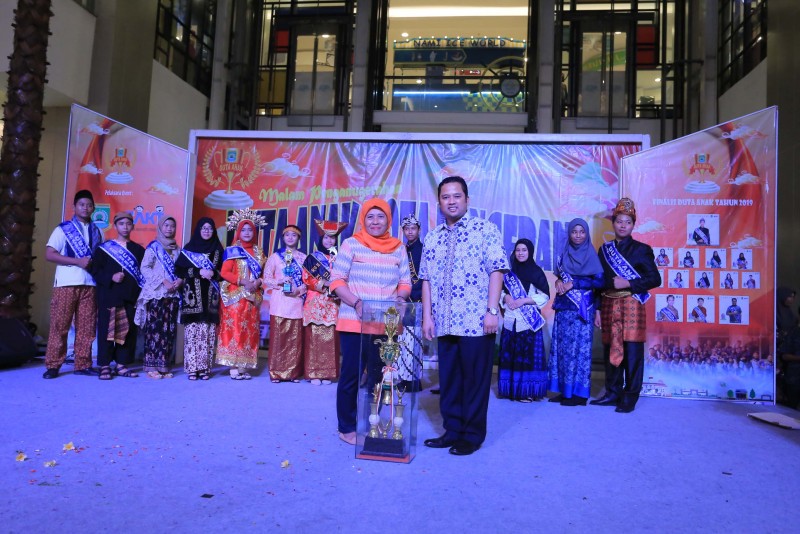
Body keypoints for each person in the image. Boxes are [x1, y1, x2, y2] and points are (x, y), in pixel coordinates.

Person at [421, 176, 509, 456]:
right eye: (445, 197)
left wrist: (492, 311)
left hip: (476, 321)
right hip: (445, 321)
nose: (451, 201)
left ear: (467, 200)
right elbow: (426, 280)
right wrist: (427, 317)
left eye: (456, 196)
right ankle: (452, 431)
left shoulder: (485, 229)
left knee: (475, 380)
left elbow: (497, 270)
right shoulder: (432, 237)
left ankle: (472, 435)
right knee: (449, 379)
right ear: (439, 202)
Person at [329, 198, 411, 445]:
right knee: (351, 376)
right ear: (363, 220)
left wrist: (401, 297)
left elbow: (405, 282)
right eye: (370, 217)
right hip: (354, 321)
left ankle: (372, 424)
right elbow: (337, 280)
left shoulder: (398, 248)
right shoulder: (351, 244)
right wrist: (356, 302)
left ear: (388, 220)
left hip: (386, 325)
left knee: (379, 377)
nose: (375, 222)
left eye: (380, 216)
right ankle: (346, 427)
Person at [591, 198, 661, 413]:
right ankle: (612, 392)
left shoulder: (642, 249)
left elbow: (655, 279)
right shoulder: (604, 250)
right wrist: (597, 308)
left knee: (632, 351)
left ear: (633, 225)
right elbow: (598, 281)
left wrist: (629, 283)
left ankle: (630, 396)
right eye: (619, 221)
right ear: (613, 223)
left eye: (627, 222)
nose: (623, 225)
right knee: (610, 349)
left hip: (631, 305)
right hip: (608, 304)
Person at [42, 190, 103, 379]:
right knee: (60, 325)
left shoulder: (98, 231)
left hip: (90, 284)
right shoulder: (63, 229)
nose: (86, 208)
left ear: (93, 208)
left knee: (87, 326)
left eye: (89, 205)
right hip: (66, 283)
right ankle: (53, 365)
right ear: (74, 207)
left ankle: (83, 364)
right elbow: (49, 254)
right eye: (82, 204)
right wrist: (77, 261)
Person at [548, 218, 604, 406]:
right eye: (574, 231)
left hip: (582, 310)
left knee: (579, 351)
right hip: (564, 308)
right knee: (562, 350)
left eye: (582, 231)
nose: (578, 235)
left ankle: (579, 395)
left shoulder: (591, 254)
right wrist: (559, 282)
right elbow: (559, 277)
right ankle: (565, 391)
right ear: (569, 233)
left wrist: (575, 283)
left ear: (586, 234)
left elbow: (600, 282)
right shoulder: (564, 253)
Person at [90, 211, 146, 380]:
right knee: (106, 330)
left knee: (127, 331)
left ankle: (122, 365)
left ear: (133, 226)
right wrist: (111, 277)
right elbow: (95, 271)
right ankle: (105, 365)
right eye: (121, 224)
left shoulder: (138, 250)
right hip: (109, 296)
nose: (125, 227)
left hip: (130, 297)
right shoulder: (104, 249)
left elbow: (143, 275)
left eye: (128, 224)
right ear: (115, 226)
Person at [497, 239, 549, 402]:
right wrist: (505, 296)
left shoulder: (536, 272)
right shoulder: (509, 273)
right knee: (510, 354)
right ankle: (509, 389)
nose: (520, 253)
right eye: (518, 250)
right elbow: (499, 292)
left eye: (524, 250)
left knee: (526, 356)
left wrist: (524, 301)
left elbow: (544, 296)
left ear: (530, 252)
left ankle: (526, 391)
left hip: (528, 322)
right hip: (510, 321)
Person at [217, 209, 267, 380]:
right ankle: (233, 366)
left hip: (252, 296)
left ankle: (243, 366)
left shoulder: (259, 252)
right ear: (238, 232)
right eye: (243, 230)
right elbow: (225, 273)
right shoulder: (232, 250)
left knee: (249, 331)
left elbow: (264, 274)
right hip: (235, 296)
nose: (246, 233)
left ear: (254, 232)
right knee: (235, 330)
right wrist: (242, 281)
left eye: (250, 230)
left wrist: (258, 282)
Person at [174, 217, 224, 381]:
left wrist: (213, 273)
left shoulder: (218, 249)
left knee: (207, 333)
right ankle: (192, 368)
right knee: (192, 333)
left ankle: (204, 368)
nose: (207, 231)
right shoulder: (189, 249)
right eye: (204, 228)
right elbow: (179, 270)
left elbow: (223, 273)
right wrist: (198, 272)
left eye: (210, 228)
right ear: (198, 230)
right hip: (192, 298)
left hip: (210, 297)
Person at [134, 215, 183, 379]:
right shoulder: (153, 247)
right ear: (161, 228)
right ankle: (151, 366)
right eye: (166, 225)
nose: (169, 228)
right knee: (154, 330)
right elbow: (144, 268)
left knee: (168, 331)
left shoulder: (177, 249)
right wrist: (162, 280)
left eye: (172, 226)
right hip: (156, 294)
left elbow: (181, 269)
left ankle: (164, 365)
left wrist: (179, 280)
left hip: (172, 295)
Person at [301, 220, 347, 385]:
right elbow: (306, 278)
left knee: (330, 338)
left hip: (333, 302)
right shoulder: (312, 258)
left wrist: (335, 285)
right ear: (321, 238)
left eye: (332, 238)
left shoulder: (340, 258)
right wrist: (324, 283)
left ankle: (328, 373)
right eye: (326, 237)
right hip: (315, 301)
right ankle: (313, 373)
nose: (329, 241)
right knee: (314, 337)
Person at [263, 225, 307, 382]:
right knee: (278, 339)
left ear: (298, 238)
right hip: (279, 302)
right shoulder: (275, 257)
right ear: (283, 238)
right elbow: (266, 278)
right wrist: (280, 281)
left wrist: (299, 290)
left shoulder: (303, 258)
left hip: (296, 302)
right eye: (287, 235)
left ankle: (293, 373)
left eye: (294, 235)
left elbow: (308, 281)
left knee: (294, 339)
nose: (290, 237)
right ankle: (276, 372)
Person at [397, 214, 425, 391]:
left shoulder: (423, 250)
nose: (410, 232)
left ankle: (414, 381)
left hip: (417, 300)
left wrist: (414, 297)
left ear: (419, 230)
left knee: (414, 342)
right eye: (406, 229)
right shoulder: (402, 250)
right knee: (402, 340)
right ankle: (403, 377)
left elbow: (425, 278)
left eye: (413, 228)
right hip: (403, 301)